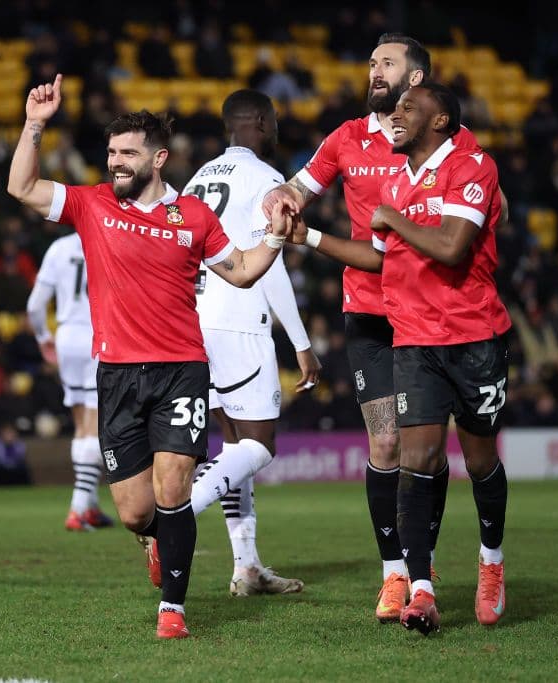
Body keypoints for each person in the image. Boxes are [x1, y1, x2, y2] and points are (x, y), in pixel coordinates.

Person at [7, 74, 294, 639]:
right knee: (138, 512)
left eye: (128, 153)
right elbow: (22, 187)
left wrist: (279, 237)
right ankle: (154, 542)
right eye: (111, 152)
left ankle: (173, 611)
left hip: (181, 371)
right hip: (115, 375)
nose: (116, 162)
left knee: (174, 491)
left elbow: (240, 272)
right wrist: (35, 125)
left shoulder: (193, 217)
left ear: (157, 158)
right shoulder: (90, 205)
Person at [264, 33, 483, 623]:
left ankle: (423, 566)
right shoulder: (347, 138)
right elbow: (300, 185)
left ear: (415, 79)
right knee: (384, 443)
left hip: (435, 316)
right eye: (371, 62)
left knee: (430, 455)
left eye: (386, 62)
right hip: (370, 312)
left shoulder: (447, 140)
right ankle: (396, 575)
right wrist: (280, 199)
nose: (374, 69)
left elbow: (488, 198)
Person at [182, 89, 321, 596]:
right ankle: (175, 513)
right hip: (240, 322)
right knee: (259, 445)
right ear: (262, 121)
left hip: (197, 322)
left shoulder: (197, 179)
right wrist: (302, 343)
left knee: (235, 449)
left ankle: (247, 566)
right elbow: (272, 263)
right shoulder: (267, 180)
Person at [26, 229, 114, 531]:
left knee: (81, 423)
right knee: (95, 421)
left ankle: (89, 505)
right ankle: (78, 507)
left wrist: (43, 337)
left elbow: (35, 306)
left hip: (66, 337)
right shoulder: (111, 240)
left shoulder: (59, 248)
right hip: (99, 334)